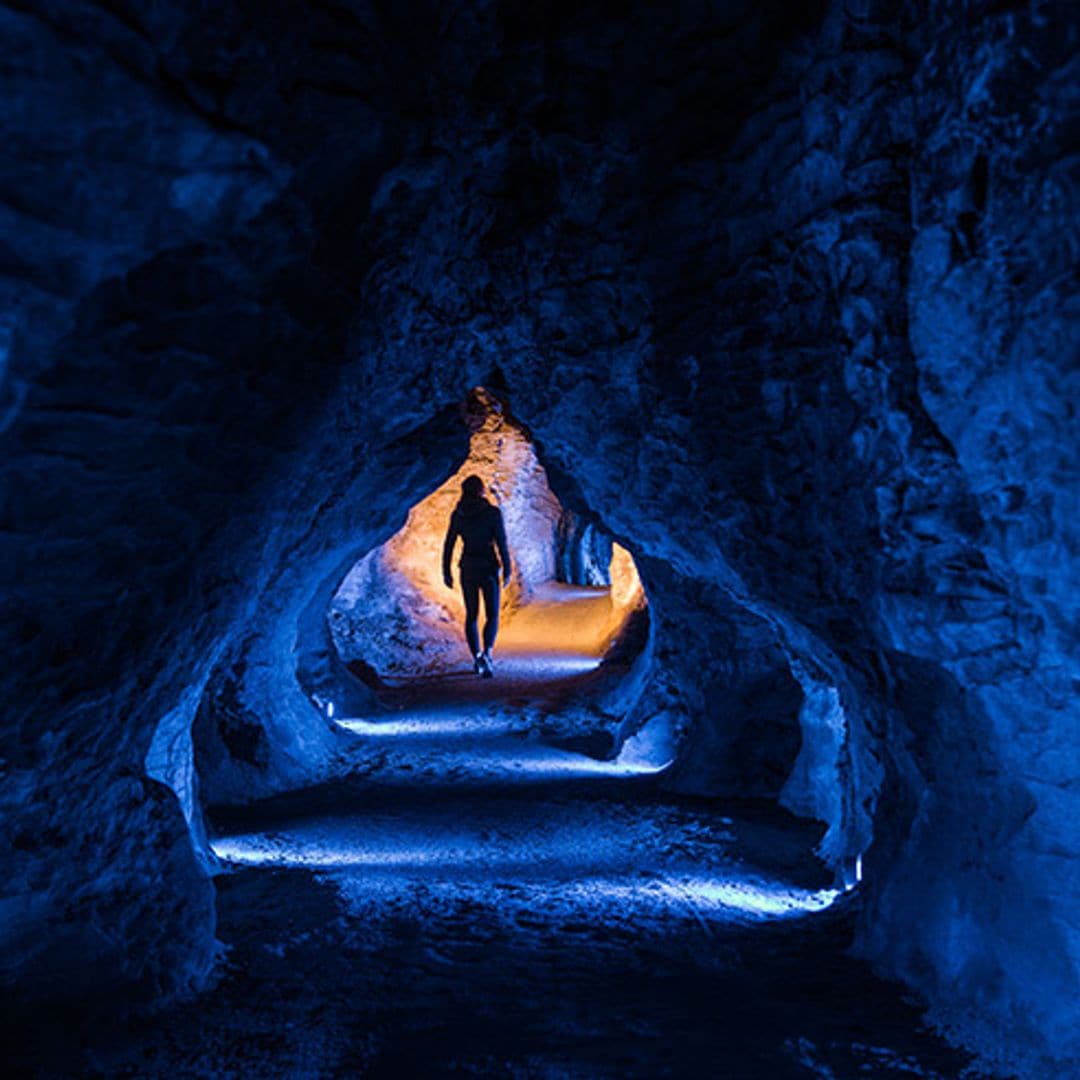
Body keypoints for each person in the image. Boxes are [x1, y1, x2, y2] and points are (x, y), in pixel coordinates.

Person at [442, 475, 512, 677]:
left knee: (471, 615)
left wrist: (446, 571)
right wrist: (507, 568)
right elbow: (501, 543)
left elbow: (449, 544)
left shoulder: (459, 514)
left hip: (468, 568)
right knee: (492, 614)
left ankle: (477, 657)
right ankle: (488, 654)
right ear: (481, 491)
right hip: (488, 567)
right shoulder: (492, 513)